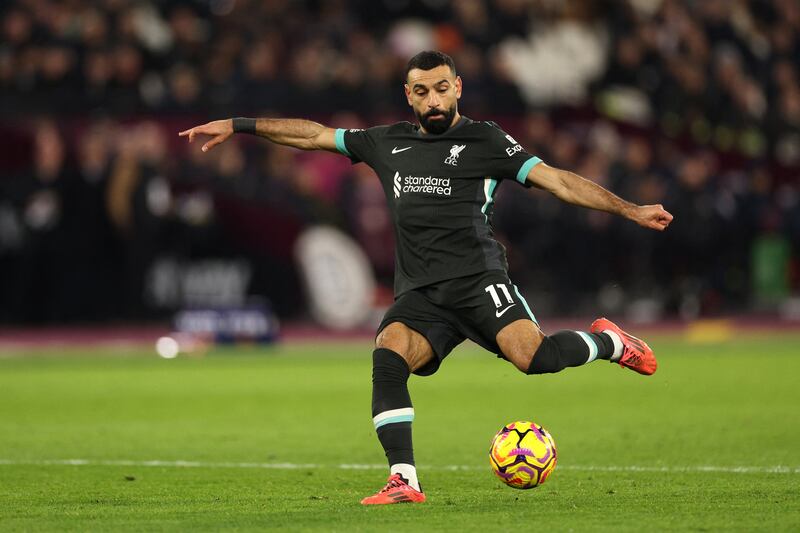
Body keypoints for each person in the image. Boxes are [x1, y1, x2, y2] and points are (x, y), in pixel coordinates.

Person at [179, 50, 673, 505]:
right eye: (421, 90)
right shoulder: (385, 142)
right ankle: (404, 480)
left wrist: (629, 210)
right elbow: (311, 135)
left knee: (536, 358)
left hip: (478, 282)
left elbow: (560, 181)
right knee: (388, 353)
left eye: (441, 88)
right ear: (408, 95)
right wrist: (239, 125)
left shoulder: (487, 139)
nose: (432, 99)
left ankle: (608, 343)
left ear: (457, 87)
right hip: (420, 295)